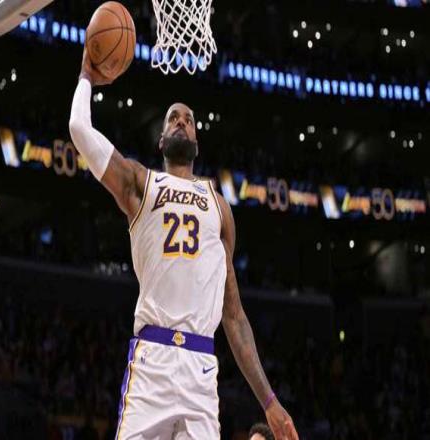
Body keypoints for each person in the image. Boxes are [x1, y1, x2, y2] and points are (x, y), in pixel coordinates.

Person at [69, 49, 299, 440]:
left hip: (201, 369)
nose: (181, 121)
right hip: (152, 360)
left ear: (196, 141)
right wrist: (86, 77)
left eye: (189, 120)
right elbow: (79, 128)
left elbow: (234, 316)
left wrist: (270, 400)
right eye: (173, 117)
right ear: (161, 140)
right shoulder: (140, 184)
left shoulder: (220, 208)